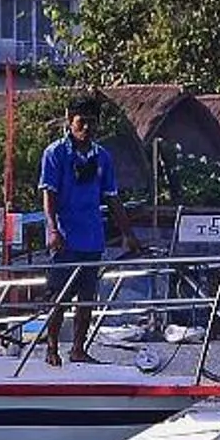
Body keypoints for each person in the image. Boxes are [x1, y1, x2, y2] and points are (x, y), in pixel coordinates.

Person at [37, 96, 136, 366]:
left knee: (87, 299)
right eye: (82, 123)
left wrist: (128, 233)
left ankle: (78, 349)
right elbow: (49, 194)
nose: (87, 128)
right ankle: (52, 348)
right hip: (65, 238)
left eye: (92, 123)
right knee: (58, 297)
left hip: (92, 238)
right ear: (70, 122)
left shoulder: (103, 156)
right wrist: (52, 229)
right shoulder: (55, 153)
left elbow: (112, 196)